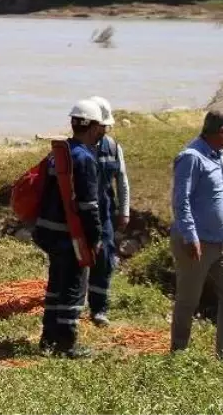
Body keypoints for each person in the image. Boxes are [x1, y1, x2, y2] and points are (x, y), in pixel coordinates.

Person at [32, 99, 105, 358]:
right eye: (102, 127)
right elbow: (89, 206)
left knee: (55, 285)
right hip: (70, 235)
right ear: (94, 127)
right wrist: (94, 238)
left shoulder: (59, 153)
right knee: (73, 289)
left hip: (49, 232)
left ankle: (48, 339)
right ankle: (67, 344)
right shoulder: (84, 158)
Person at [170, 109, 223, 359]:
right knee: (189, 299)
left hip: (221, 242)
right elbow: (181, 201)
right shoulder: (191, 157)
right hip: (196, 242)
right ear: (222, 132)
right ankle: (179, 353)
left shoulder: (219, 155)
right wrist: (190, 236)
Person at [86, 95, 131, 327]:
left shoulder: (113, 147)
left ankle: (99, 309)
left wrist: (124, 211)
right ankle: (76, 303)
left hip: (104, 213)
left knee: (104, 260)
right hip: (81, 212)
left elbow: (121, 180)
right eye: (101, 125)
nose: (104, 129)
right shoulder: (75, 147)